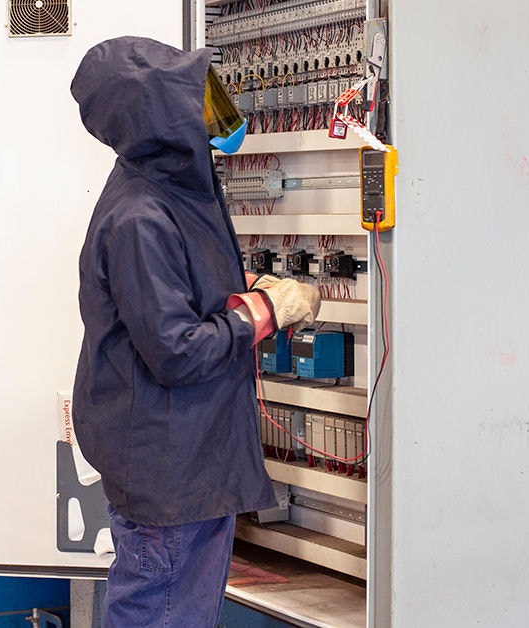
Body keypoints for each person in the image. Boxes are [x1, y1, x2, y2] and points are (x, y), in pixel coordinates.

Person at [70, 36, 321, 626]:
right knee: (161, 611)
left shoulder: (173, 191)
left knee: (176, 608)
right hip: (168, 463)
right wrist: (262, 312)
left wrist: (249, 286)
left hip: (189, 455)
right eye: (198, 96)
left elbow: (180, 292)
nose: (217, 110)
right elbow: (176, 351)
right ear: (158, 116)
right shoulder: (140, 216)